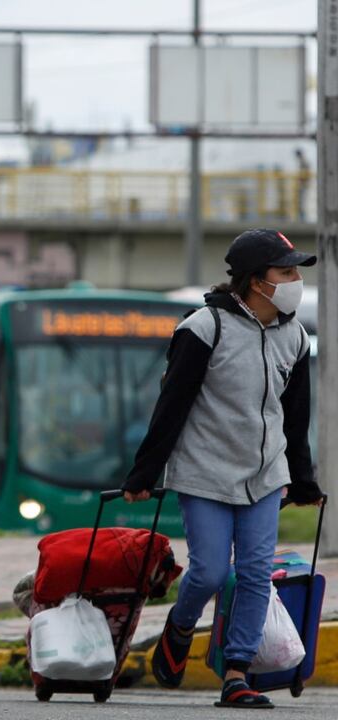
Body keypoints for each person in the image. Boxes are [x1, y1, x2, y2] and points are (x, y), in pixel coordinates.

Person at [123, 228, 323, 709]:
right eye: (287, 271)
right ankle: (181, 624)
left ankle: (236, 673)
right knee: (211, 571)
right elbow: (171, 406)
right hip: (204, 472)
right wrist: (144, 474)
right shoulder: (203, 328)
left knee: (255, 575)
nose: (296, 280)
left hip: (264, 475)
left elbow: (295, 416)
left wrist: (302, 478)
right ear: (257, 281)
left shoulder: (294, 335)